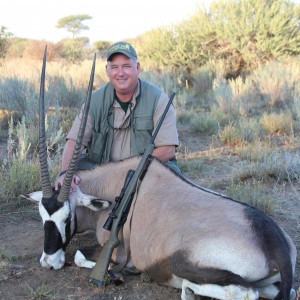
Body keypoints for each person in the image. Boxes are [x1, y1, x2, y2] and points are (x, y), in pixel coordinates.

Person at [54, 41, 180, 192]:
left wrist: (126, 171)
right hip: (102, 173)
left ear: (137, 68)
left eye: (126, 66)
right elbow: (74, 142)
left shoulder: (158, 99)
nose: (120, 73)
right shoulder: (94, 101)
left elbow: (167, 150)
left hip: (142, 171)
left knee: (170, 181)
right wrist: (65, 173)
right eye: (114, 67)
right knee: (69, 184)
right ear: (107, 70)